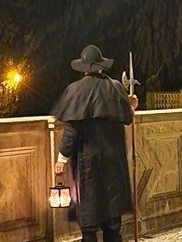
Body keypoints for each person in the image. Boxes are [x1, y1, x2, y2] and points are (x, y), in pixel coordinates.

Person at [52, 44, 138, 242]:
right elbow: (127, 118)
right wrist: (132, 105)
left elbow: (72, 129)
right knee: (112, 214)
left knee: (89, 213)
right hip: (113, 160)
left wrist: (61, 158)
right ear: (101, 67)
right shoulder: (116, 87)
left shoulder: (75, 90)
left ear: (84, 69)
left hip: (87, 161)